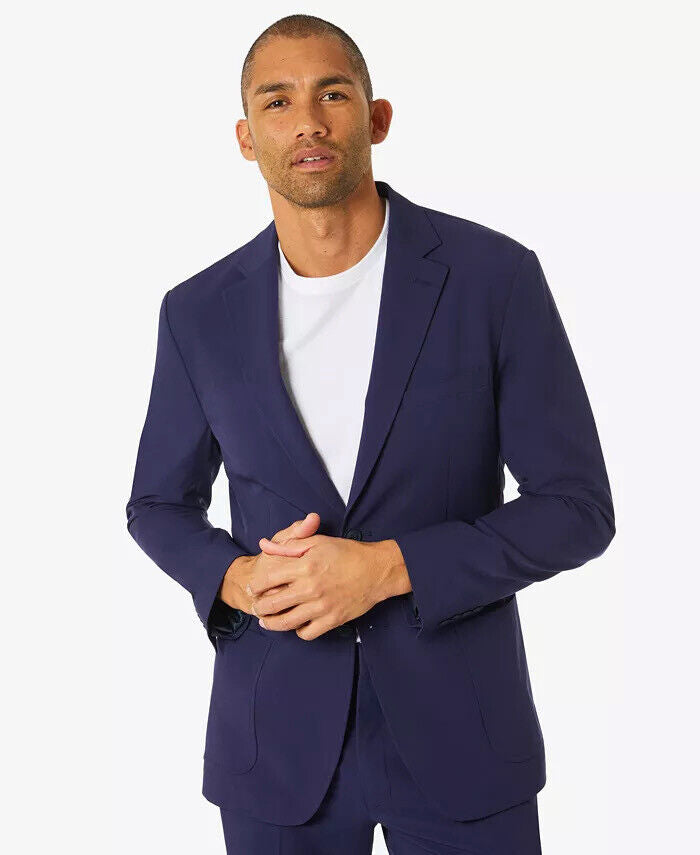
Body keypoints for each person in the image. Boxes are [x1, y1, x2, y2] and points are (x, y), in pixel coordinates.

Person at [125, 14, 615, 853]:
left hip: (465, 737)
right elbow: (157, 504)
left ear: (376, 118)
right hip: (276, 746)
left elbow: (577, 507)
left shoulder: (494, 279)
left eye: (332, 94)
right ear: (246, 138)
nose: (307, 121)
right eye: (277, 102)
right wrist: (236, 579)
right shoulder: (197, 312)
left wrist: (391, 567)